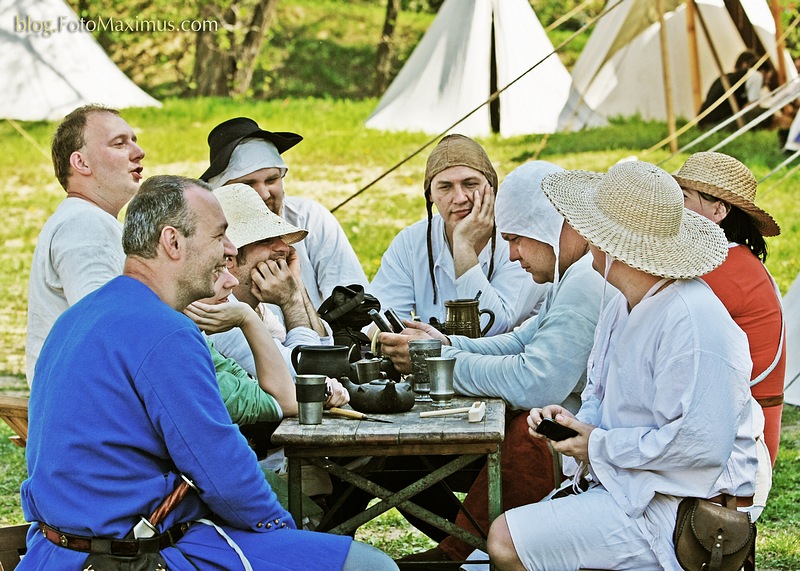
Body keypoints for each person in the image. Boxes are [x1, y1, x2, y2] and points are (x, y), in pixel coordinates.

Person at [20, 174, 397, 570]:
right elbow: (221, 471)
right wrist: (280, 532)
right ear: (173, 242)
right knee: (371, 567)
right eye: (219, 236)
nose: (229, 250)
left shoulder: (79, 316)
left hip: (57, 553)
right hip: (132, 556)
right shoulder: (163, 330)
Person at [487, 160, 764, 571]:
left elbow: (699, 449)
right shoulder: (621, 302)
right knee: (506, 533)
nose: (582, 236)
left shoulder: (694, 320)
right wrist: (576, 426)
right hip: (633, 484)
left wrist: (596, 445)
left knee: (505, 541)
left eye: (590, 228)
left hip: (683, 510)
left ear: (609, 243)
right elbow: (601, 395)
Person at [376, 161, 617, 564]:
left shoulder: (586, 282)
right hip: (588, 433)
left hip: (602, 443)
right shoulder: (573, 272)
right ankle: (463, 549)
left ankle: (464, 555)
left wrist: (440, 362)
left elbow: (536, 382)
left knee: (531, 429)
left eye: (517, 239)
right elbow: (522, 340)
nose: (512, 254)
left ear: (544, 227)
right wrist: (446, 344)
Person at [367, 134, 547, 337]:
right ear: (430, 195)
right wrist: (388, 336)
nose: (460, 198)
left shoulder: (520, 241)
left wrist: (463, 245)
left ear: (491, 188)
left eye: (470, 184)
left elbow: (492, 328)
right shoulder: (411, 243)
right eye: (445, 187)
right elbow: (378, 319)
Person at [676, 151, 784, 465]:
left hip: (745, 430)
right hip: (737, 412)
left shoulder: (723, 266)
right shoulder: (730, 259)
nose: (673, 206)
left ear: (719, 210)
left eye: (683, 197)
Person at [25, 104, 145, 385]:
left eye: (134, 141)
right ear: (81, 163)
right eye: (119, 143)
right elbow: (106, 328)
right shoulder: (84, 224)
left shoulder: (89, 219)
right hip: (88, 411)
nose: (138, 152)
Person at [200, 116, 368, 312]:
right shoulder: (207, 235)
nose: (263, 193)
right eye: (248, 184)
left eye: (271, 180)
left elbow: (351, 300)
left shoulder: (310, 217)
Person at [699, 50, 764, 128]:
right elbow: (753, 107)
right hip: (715, 126)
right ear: (745, 65)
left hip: (703, 124)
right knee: (761, 113)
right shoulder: (753, 75)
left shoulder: (721, 79)